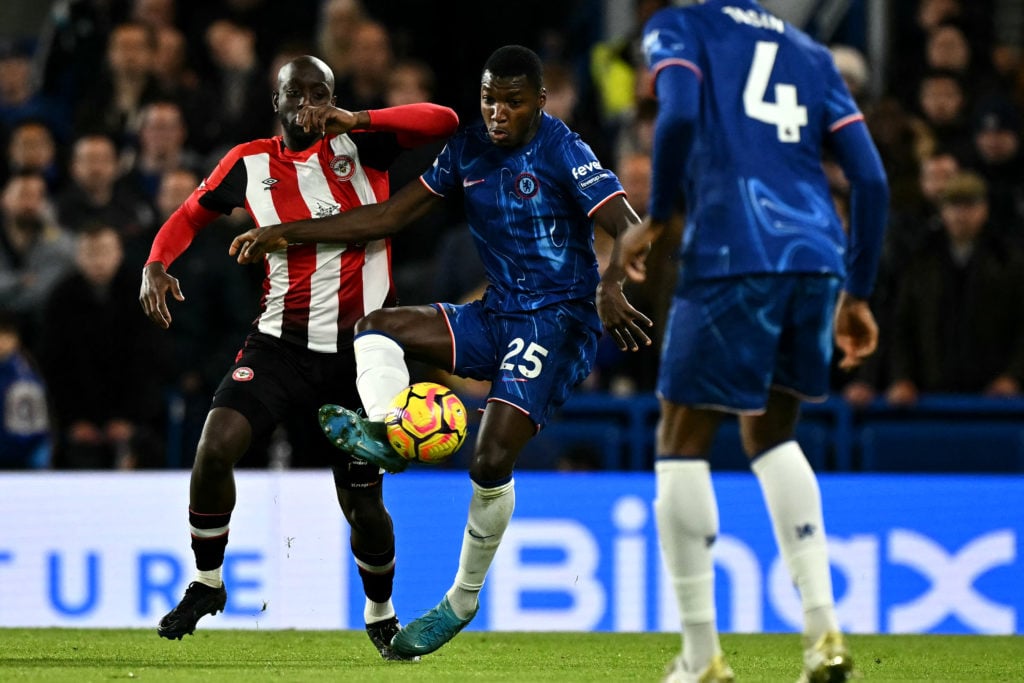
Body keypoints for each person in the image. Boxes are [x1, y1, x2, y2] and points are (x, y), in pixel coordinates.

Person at [230, 44, 652, 657]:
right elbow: (385, 218)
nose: (498, 112)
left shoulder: (563, 149)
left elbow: (631, 226)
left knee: (487, 463)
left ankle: (462, 598)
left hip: (557, 323)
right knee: (375, 326)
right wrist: (284, 232)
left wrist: (610, 286)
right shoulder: (468, 150)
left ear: (538, 101)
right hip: (496, 312)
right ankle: (389, 430)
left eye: (512, 102)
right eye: (488, 99)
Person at [138, 54, 459, 658]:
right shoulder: (249, 162)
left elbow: (443, 119)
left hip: (358, 356)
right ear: (277, 102)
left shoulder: (365, 145)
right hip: (280, 343)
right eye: (299, 94)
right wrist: (156, 263)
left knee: (363, 503)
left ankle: (380, 612)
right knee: (214, 445)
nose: (310, 104)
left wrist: (356, 116)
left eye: (322, 93)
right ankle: (207, 582)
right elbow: (188, 216)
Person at [616, 3, 889, 682]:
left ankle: (702, 655)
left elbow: (676, 115)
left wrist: (658, 216)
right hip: (817, 253)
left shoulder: (679, 26)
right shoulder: (811, 50)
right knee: (771, 435)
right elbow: (873, 180)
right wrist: (856, 291)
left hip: (732, 245)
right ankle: (824, 632)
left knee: (680, 440)